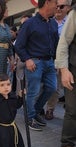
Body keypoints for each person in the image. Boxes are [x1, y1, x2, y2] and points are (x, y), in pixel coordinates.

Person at [15, 0, 59, 131]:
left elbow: (56, 44)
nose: (57, 5)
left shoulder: (53, 23)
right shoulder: (29, 23)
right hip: (35, 62)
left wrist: (56, 60)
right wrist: (27, 59)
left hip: (50, 62)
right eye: (55, 2)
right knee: (32, 92)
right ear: (47, 2)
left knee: (52, 88)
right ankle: (30, 118)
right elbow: (19, 45)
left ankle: (35, 111)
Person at [55, 2, 76, 147]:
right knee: (72, 109)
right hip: (74, 69)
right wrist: (64, 69)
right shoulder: (74, 13)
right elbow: (63, 42)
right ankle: (67, 145)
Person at [45, 0, 72, 120]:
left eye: (62, 6)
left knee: (62, 87)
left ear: (68, 7)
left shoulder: (71, 22)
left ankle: (53, 109)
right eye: (57, 6)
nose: (58, 9)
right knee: (50, 86)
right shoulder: (48, 22)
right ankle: (44, 108)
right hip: (50, 59)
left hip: (67, 60)